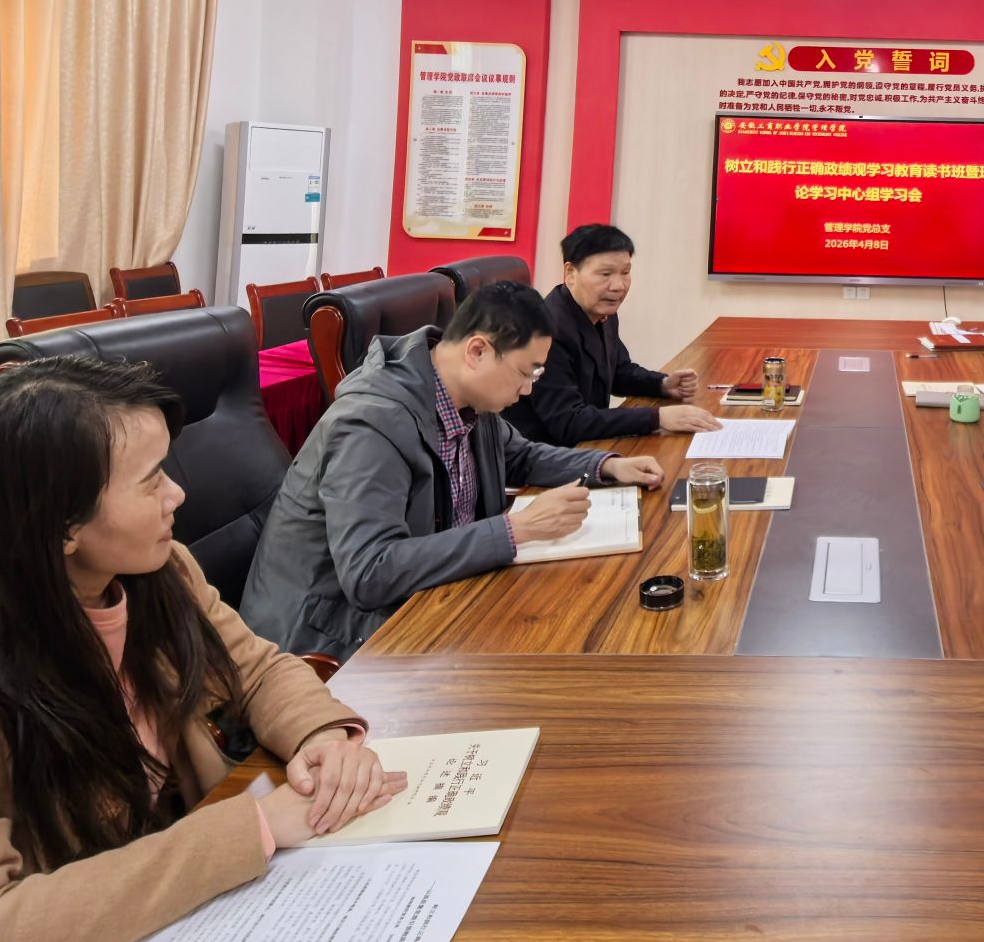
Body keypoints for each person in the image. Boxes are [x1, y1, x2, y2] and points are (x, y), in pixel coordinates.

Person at [0, 358, 407, 942]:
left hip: (184, 917)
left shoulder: (158, 571)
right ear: (59, 524)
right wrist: (253, 827)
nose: (177, 494)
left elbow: (258, 667)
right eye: (152, 479)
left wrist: (322, 736)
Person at [241, 281, 664, 661]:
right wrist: (515, 530)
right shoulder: (371, 426)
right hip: (326, 640)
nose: (528, 389)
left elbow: (521, 456)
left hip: (427, 603)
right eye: (525, 372)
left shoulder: (467, 399)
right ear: (477, 351)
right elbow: (371, 572)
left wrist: (607, 465)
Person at [509, 223, 722, 445]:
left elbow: (619, 371)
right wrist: (657, 417)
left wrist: (663, 384)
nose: (619, 285)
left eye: (625, 272)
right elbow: (569, 422)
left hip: (587, 445)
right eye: (605, 274)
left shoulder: (602, 312)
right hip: (545, 455)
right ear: (570, 273)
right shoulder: (546, 331)